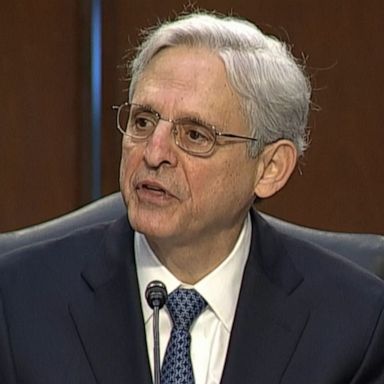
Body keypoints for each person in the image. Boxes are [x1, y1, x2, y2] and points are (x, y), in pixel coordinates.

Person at [0, 10, 383, 384]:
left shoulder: (355, 323)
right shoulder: (18, 302)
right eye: (143, 122)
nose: (153, 153)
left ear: (269, 169)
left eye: (195, 135)